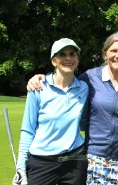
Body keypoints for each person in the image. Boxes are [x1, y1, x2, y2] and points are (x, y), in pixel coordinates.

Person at [26, 32, 118, 185]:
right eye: (113, 51)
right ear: (104, 53)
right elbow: (65, 80)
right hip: (93, 160)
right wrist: (41, 78)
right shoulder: (89, 78)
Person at [14, 38, 89, 185]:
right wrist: (21, 166)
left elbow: (84, 123)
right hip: (42, 162)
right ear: (54, 61)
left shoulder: (84, 88)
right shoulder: (38, 87)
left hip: (74, 161)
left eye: (72, 54)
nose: (68, 58)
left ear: (78, 59)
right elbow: (28, 129)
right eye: (62, 54)